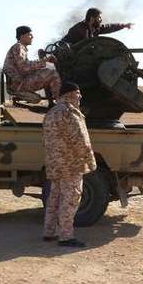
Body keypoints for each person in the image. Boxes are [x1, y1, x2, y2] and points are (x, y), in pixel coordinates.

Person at [42, 82, 97, 248]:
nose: (79, 96)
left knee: (55, 198)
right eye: (77, 93)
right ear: (69, 95)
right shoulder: (70, 113)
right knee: (70, 199)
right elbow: (81, 141)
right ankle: (65, 236)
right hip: (71, 165)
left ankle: (49, 231)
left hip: (55, 164)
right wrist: (91, 162)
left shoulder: (51, 113)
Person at [4, 25, 61, 100]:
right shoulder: (18, 47)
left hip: (17, 82)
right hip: (19, 84)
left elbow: (26, 66)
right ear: (22, 36)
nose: (32, 37)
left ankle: (53, 101)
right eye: (29, 35)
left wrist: (43, 61)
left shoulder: (19, 47)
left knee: (46, 72)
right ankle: (60, 102)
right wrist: (45, 60)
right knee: (52, 74)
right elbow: (25, 68)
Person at [61, 7, 133, 45]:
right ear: (92, 18)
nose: (101, 20)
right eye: (99, 17)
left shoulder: (95, 28)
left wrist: (124, 25)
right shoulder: (78, 29)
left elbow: (109, 27)